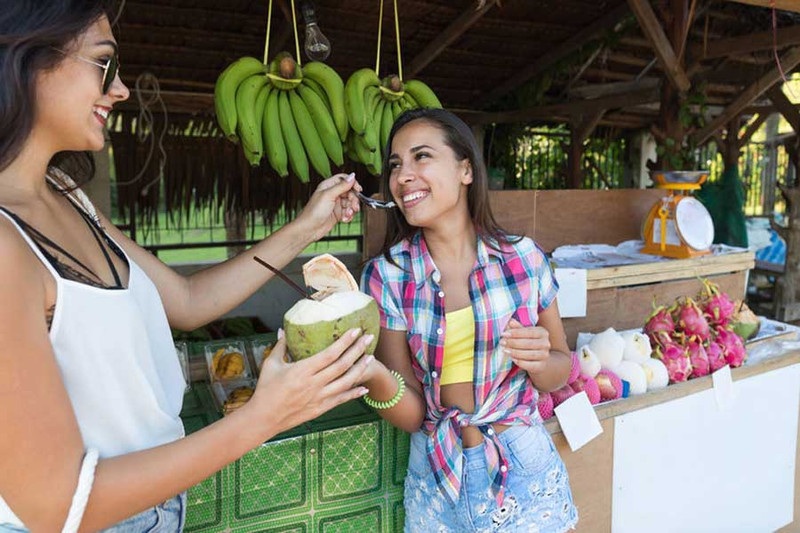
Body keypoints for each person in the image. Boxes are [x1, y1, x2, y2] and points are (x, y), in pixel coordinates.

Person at [0, 2, 374, 531]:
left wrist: (309, 227)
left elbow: (189, 303)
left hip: (159, 513)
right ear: (27, 58)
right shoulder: (4, 245)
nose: (122, 89)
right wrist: (266, 415)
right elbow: (57, 503)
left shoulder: (68, 197)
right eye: (104, 64)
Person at [360, 108, 579, 532]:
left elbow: (560, 370)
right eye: (395, 165)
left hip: (522, 461)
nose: (403, 175)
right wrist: (371, 374)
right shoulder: (388, 275)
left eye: (421, 156)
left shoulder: (524, 259)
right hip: (438, 471)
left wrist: (540, 359)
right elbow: (411, 414)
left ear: (465, 169)